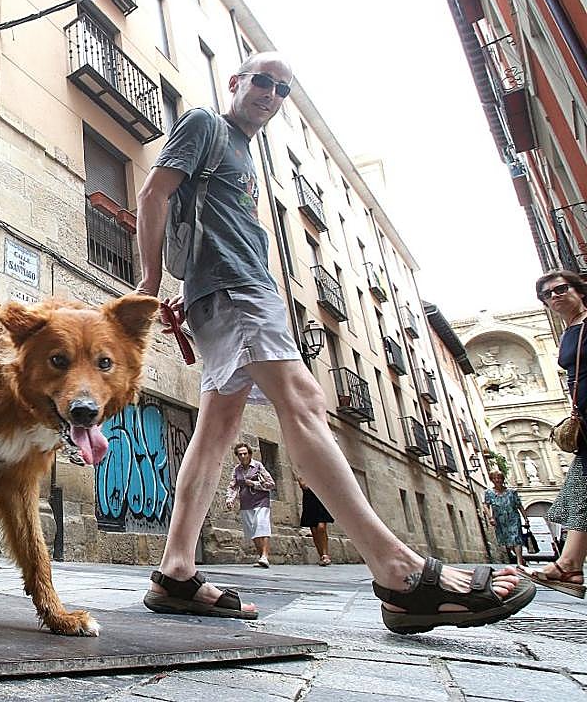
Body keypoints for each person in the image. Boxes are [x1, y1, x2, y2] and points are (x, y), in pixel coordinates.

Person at [135, 51, 533, 632]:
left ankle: (175, 570)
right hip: (237, 290)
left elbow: (196, 218)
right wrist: (150, 280)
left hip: (227, 291)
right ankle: (397, 570)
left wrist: (187, 285)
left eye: (282, 89)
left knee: (215, 430)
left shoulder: (245, 152)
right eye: (262, 82)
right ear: (236, 81)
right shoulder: (206, 124)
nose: (271, 94)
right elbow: (154, 194)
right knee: (302, 400)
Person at [525, 271, 587, 599]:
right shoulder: (569, 331)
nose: (554, 297)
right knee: (580, 487)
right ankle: (570, 566)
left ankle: (569, 566)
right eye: (547, 295)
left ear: (578, 290)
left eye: (561, 289)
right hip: (585, 418)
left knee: (580, 487)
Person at [225, 443, 275, 567]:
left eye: (245, 453)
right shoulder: (237, 470)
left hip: (261, 501)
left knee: (261, 526)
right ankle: (261, 558)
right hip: (246, 502)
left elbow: (271, 484)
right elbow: (233, 486)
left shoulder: (258, 466)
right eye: (240, 454)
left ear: (250, 454)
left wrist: (254, 484)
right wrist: (230, 499)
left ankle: (265, 556)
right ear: (237, 456)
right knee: (252, 530)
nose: (243, 456)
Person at [483, 468, 527, 568]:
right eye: (494, 478)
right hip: (500, 519)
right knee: (507, 541)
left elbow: (519, 505)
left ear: (502, 479)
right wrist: (490, 518)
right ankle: (519, 557)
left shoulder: (512, 492)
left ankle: (519, 562)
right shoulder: (488, 493)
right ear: (491, 480)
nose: (497, 480)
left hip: (513, 517)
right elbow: (485, 505)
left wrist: (526, 518)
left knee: (516, 538)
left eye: (499, 477)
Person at [297, 475, 333, 566]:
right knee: (314, 530)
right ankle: (321, 555)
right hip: (310, 500)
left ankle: (325, 554)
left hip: (321, 499)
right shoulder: (302, 472)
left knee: (321, 527)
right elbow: (304, 485)